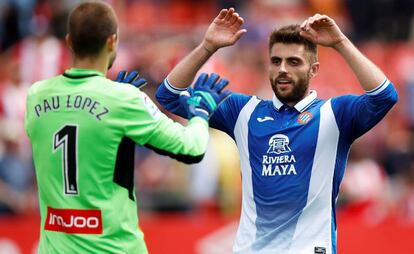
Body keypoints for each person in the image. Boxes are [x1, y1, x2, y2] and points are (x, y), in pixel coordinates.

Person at [155, 8, 398, 254]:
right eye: (276, 61)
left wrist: (341, 43)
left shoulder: (334, 114)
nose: (283, 69)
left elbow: (384, 96)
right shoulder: (243, 111)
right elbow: (169, 95)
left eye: (293, 62)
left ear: (313, 70)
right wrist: (207, 47)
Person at [24, 2, 230, 253]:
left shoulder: (36, 96)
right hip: (115, 248)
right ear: (112, 42)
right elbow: (192, 147)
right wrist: (200, 113)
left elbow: (81, 133)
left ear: (68, 41)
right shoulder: (124, 99)